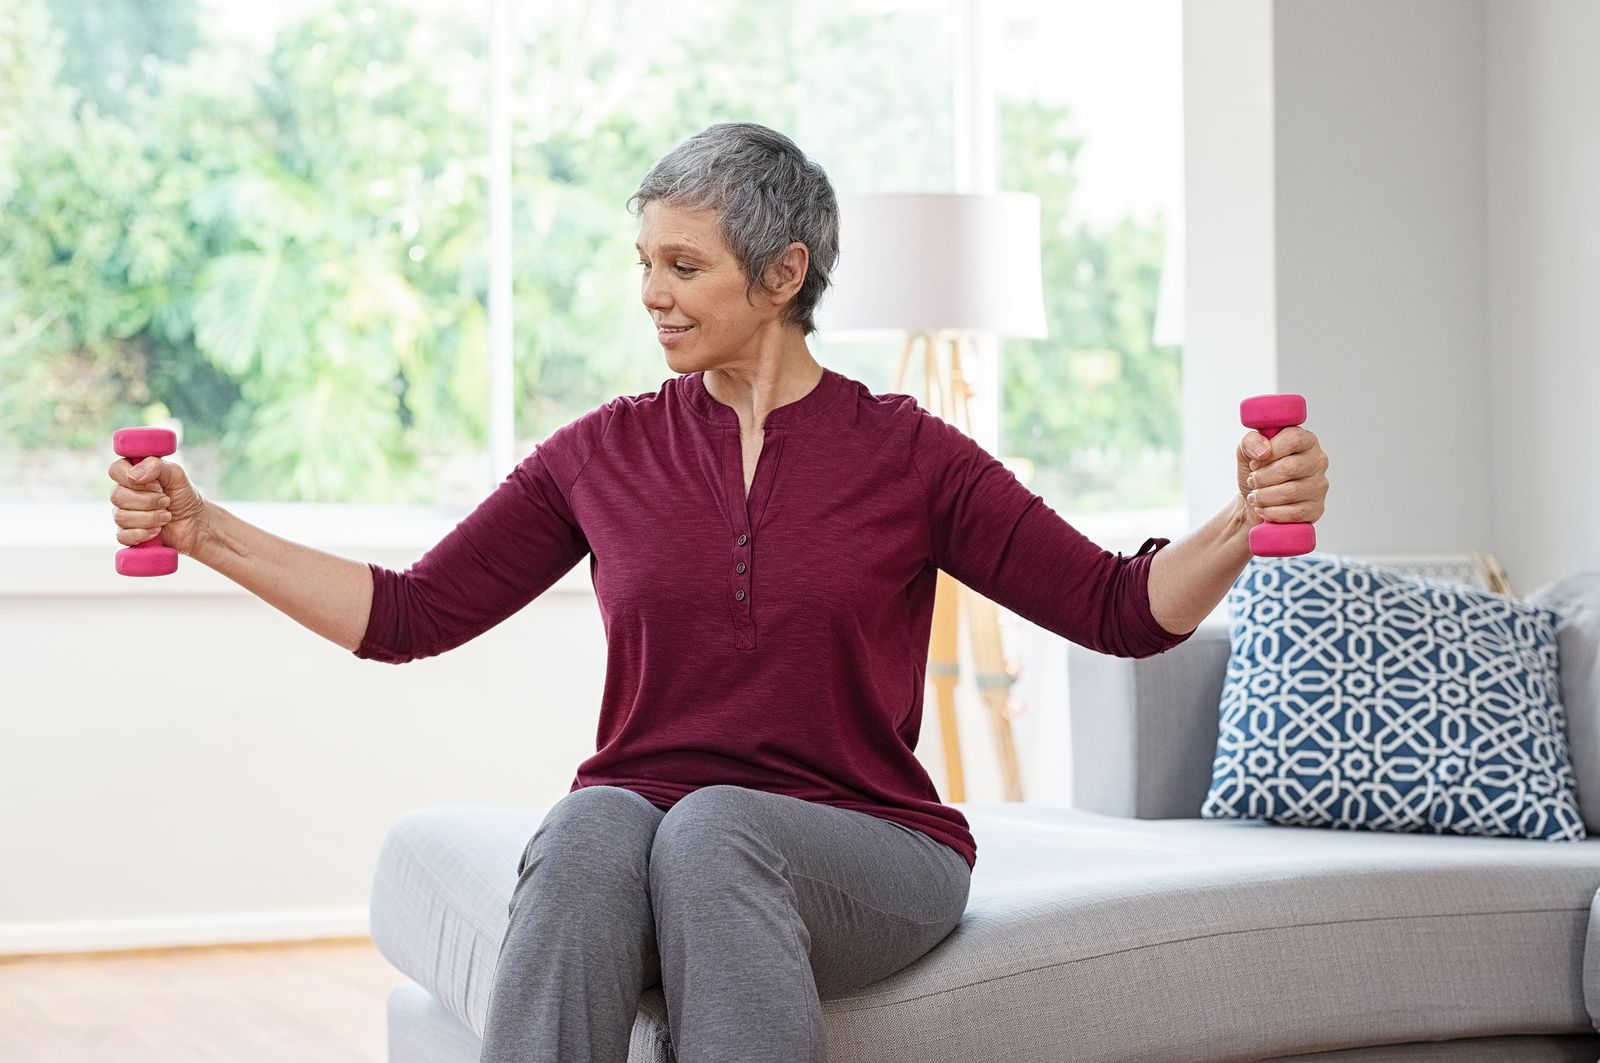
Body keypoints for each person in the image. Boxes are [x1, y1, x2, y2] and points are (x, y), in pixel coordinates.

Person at [108, 121, 1329, 1063]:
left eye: (685, 265)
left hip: (873, 846)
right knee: (593, 823)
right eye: (644, 262)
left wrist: (1245, 515)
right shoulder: (603, 452)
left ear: (784, 271)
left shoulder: (909, 453)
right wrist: (206, 528)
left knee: (716, 825)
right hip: (647, 823)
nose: (652, 292)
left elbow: (1118, 609)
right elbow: (412, 613)